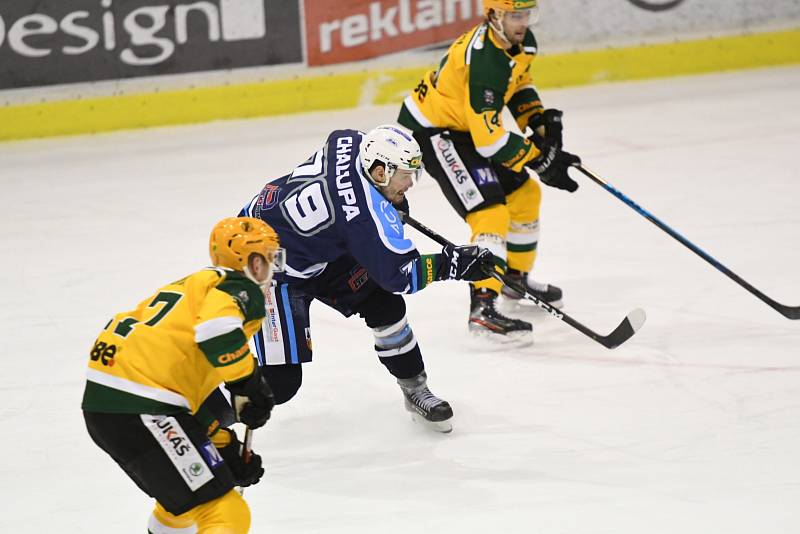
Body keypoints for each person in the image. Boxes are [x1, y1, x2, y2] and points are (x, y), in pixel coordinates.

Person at [238, 124, 493, 433]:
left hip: (312, 245)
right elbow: (400, 275)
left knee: (384, 306)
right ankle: (204, 409)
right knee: (280, 385)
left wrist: (390, 201)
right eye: (405, 175)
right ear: (381, 171)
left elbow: (342, 138)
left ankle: (414, 389)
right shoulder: (361, 217)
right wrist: (452, 265)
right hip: (267, 263)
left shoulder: (352, 143)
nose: (411, 183)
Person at [82, 217, 284, 534]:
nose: (273, 267)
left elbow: (186, 398)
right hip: (142, 405)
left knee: (183, 503)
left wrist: (226, 448)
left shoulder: (195, 287)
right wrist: (249, 383)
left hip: (115, 404)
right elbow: (217, 332)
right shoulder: (239, 289)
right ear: (250, 263)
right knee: (225, 513)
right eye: (269, 257)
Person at [397, 0, 581, 342]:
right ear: (494, 15)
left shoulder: (522, 43)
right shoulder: (485, 59)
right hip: (435, 131)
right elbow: (489, 139)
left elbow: (519, 85)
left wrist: (539, 124)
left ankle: (515, 280)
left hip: (467, 128)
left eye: (526, 14)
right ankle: (483, 308)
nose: (522, 22)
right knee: (490, 212)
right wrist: (539, 159)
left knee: (526, 194)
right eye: (515, 15)